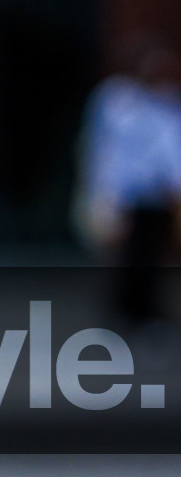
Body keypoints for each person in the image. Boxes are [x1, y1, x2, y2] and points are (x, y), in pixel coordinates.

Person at [74, 39, 181, 326]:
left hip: (156, 195)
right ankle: (127, 313)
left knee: (151, 258)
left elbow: (170, 150)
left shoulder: (166, 102)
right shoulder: (118, 100)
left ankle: (144, 311)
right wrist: (106, 193)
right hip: (128, 195)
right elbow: (107, 150)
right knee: (129, 257)